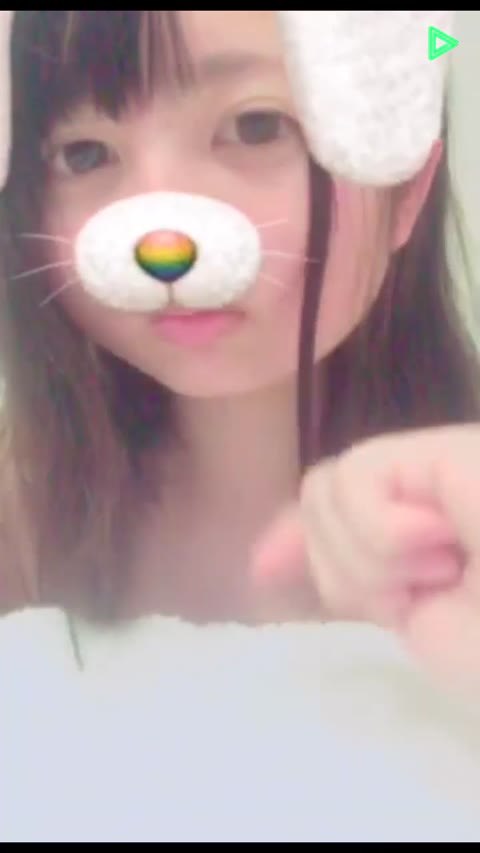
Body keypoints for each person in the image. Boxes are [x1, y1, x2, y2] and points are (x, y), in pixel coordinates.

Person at [1, 10, 480, 843]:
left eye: (256, 127)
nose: (161, 232)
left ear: (408, 182)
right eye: (84, 153)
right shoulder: (19, 516)